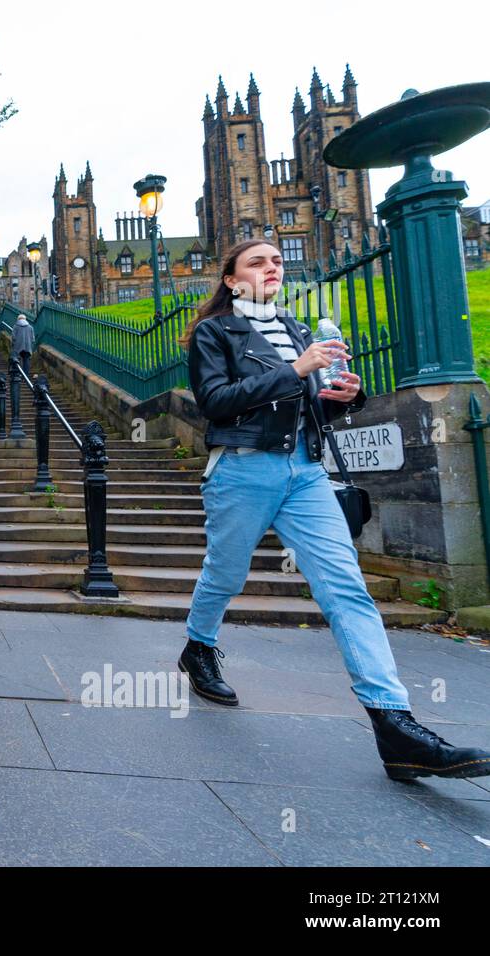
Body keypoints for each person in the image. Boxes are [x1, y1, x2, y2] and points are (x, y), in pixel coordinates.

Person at [180, 238, 490, 781]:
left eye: (277, 260)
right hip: (242, 470)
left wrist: (342, 396)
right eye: (257, 261)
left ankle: (396, 727)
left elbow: (307, 401)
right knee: (225, 574)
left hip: (305, 472)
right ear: (231, 280)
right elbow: (216, 402)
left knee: (345, 586)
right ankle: (199, 646)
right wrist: (296, 370)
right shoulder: (215, 332)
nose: (272, 267)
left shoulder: (300, 330)